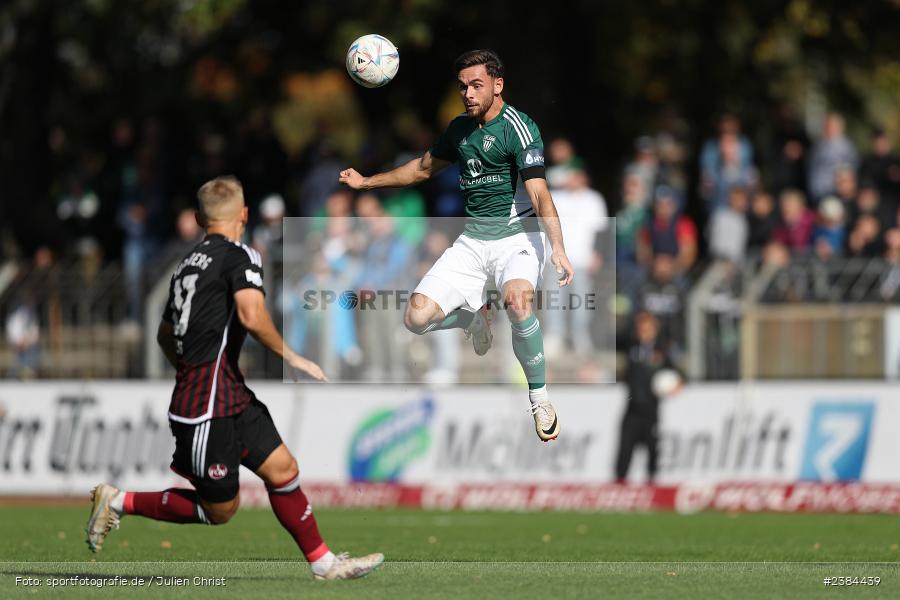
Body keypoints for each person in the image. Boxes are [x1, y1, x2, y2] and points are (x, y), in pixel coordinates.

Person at [85, 176, 383, 580]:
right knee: (220, 510)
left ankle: (324, 564)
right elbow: (251, 315)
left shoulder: (186, 264)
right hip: (207, 404)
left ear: (198, 218)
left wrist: (191, 370)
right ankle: (119, 501)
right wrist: (291, 356)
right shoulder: (241, 256)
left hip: (224, 391)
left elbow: (162, 334)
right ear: (244, 215)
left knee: (282, 469)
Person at [339, 49, 573, 442]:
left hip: (518, 236)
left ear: (498, 86)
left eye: (477, 85)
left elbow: (540, 195)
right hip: (474, 240)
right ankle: (472, 320)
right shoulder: (459, 130)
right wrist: (367, 183)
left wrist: (559, 248)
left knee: (517, 301)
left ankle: (539, 396)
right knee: (415, 318)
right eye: (463, 86)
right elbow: (420, 169)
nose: (468, 93)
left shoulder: (519, 128)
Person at [615, 311, 680, 484]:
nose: (644, 332)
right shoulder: (631, 346)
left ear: (655, 329)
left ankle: (652, 488)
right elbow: (615, 339)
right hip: (632, 409)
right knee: (624, 452)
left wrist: (675, 386)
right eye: (641, 328)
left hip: (651, 411)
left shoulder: (662, 351)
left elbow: (677, 375)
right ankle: (619, 487)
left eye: (648, 328)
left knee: (653, 451)